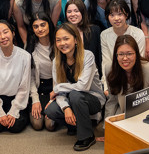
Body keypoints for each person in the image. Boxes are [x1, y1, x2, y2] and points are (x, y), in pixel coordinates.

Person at [44, 23, 105, 151]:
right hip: (72, 99)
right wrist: (66, 108)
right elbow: (59, 93)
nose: (62, 43)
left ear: (76, 40)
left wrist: (58, 88)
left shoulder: (87, 56)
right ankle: (75, 124)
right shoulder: (56, 61)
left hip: (93, 99)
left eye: (66, 39)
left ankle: (87, 136)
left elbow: (83, 86)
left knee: (75, 95)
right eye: (58, 40)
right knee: (51, 110)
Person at [0, 20, 31, 133]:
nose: (3, 37)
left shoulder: (25, 56)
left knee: (16, 127)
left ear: (13, 33)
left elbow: (24, 87)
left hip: (17, 98)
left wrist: (14, 111)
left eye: (5, 32)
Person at [104, 36, 149, 118]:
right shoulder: (110, 69)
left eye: (129, 54)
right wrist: (108, 125)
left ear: (136, 54)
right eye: (121, 54)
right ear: (116, 56)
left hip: (143, 114)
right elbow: (112, 102)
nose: (125, 58)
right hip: (122, 113)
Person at [100, 0, 146, 94]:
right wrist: (106, 86)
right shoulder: (104, 35)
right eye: (112, 15)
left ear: (126, 15)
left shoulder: (138, 33)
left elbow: (140, 60)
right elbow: (106, 62)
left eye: (120, 14)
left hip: (135, 75)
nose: (116, 18)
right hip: (115, 75)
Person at [26, 13, 56, 131]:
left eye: (43, 25)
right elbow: (30, 78)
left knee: (50, 125)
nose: (40, 29)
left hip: (55, 89)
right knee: (37, 125)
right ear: (32, 29)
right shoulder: (30, 47)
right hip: (38, 89)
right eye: (36, 26)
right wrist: (35, 100)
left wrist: (53, 99)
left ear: (49, 25)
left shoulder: (58, 44)